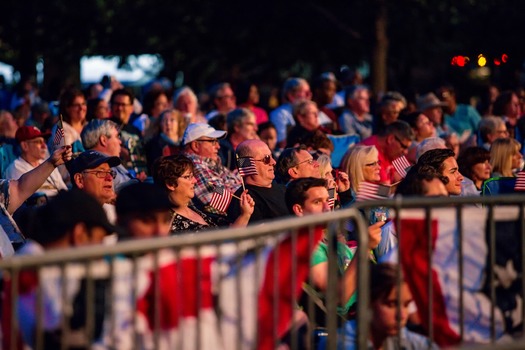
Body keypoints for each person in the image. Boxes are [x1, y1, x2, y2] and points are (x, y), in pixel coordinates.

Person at [4, 189, 116, 349]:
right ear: (80, 234)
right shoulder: (31, 272)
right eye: (99, 241)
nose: (101, 252)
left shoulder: (36, 262)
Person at [337, 263, 438, 350]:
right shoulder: (341, 344)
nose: (402, 315)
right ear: (367, 303)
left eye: (406, 305)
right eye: (392, 304)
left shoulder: (403, 338)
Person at [153, 154, 254, 234]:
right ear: (170, 184)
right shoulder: (167, 223)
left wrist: (245, 214)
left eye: (193, 176)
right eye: (188, 177)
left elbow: (229, 237)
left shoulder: (197, 210)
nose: (195, 180)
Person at [0, 145, 72, 248]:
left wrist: (51, 163)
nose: (43, 146)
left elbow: (20, 188)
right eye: (37, 142)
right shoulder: (15, 166)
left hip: (20, 255)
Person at [181, 123, 242, 216]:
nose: (218, 146)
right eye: (213, 141)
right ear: (195, 145)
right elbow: (220, 202)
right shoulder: (195, 166)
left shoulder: (209, 163)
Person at [226, 139, 289, 224]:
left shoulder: (282, 188)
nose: (273, 162)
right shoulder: (244, 200)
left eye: (272, 156)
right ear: (247, 164)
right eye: (266, 158)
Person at [5, 126, 67, 198]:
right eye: (39, 142)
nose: (44, 146)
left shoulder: (49, 162)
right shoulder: (15, 168)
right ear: (25, 146)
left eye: (44, 142)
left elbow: (63, 189)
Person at [81, 119, 139, 192]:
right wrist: (139, 184)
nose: (120, 142)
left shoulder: (112, 161)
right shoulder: (95, 167)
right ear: (103, 140)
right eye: (117, 137)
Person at [66, 150, 121, 223]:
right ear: (79, 180)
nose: (109, 178)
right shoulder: (65, 218)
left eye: (110, 172)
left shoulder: (114, 213)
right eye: (101, 172)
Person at [359, 121, 414, 185]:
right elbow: (385, 188)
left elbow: (400, 177)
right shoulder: (369, 153)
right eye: (403, 146)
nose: (406, 152)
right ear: (391, 139)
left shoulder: (391, 152)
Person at [109, 88, 148, 177]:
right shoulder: (104, 127)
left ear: (131, 108)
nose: (119, 108)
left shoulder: (136, 131)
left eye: (123, 104)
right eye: (116, 104)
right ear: (111, 106)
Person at [270, 77, 312, 148]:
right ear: (291, 95)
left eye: (308, 92)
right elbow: (282, 143)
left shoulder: (311, 112)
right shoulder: (279, 114)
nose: (309, 96)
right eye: (305, 92)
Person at [144, 108, 185, 173]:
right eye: (164, 120)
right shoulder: (153, 144)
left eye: (172, 120)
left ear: (179, 123)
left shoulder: (185, 144)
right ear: (160, 124)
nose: (168, 123)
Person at [48, 87, 86, 154]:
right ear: (67, 108)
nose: (81, 108)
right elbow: (64, 155)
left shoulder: (88, 125)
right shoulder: (60, 128)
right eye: (76, 105)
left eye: (83, 104)